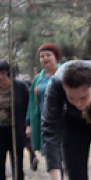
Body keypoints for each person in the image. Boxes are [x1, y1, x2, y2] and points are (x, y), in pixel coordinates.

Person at [25, 43, 61, 173]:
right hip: (44, 122)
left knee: (65, 156)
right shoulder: (38, 79)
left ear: (56, 57)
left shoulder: (64, 73)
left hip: (62, 121)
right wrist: (29, 124)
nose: (45, 58)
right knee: (52, 157)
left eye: (48, 55)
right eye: (42, 56)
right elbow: (32, 103)